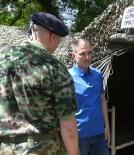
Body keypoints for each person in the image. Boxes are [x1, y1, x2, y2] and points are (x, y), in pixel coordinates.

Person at [0, 12, 79, 155]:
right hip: (42, 149)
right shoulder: (55, 68)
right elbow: (69, 128)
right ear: (52, 37)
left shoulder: (2, 58)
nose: (58, 45)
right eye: (59, 40)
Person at [69, 39, 110, 155]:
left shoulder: (97, 74)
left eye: (89, 53)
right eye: (82, 53)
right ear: (73, 56)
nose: (87, 57)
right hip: (79, 135)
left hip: (98, 133)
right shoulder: (68, 77)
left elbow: (102, 99)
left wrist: (107, 125)